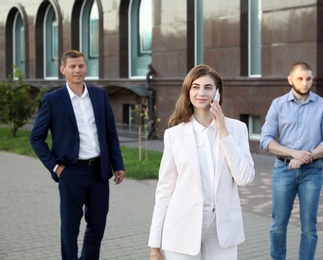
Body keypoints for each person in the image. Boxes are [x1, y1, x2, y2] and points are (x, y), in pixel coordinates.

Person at [148, 64, 255, 260]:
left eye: (208, 87)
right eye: (195, 87)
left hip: (222, 229)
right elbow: (164, 190)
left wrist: (223, 132)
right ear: (188, 91)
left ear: (218, 92)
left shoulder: (237, 129)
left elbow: (244, 178)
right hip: (182, 226)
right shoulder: (174, 134)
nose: (201, 93)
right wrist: (155, 246)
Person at [30, 50, 125, 260]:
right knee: (70, 229)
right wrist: (56, 167)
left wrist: (118, 164)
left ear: (86, 67)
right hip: (71, 172)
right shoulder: (52, 100)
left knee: (97, 226)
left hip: (99, 171)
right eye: (72, 66)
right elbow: (36, 138)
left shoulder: (99, 95)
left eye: (81, 66)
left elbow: (110, 132)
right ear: (63, 69)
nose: (77, 70)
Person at [260, 62, 323, 260]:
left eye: (309, 78)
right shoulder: (278, 104)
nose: (305, 83)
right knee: (278, 225)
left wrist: (305, 158)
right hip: (283, 170)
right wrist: (293, 153)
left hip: (312, 172)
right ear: (290, 80)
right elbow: (265, 140)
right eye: (300, 78)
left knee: (309, 227)